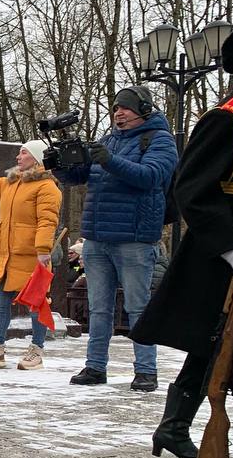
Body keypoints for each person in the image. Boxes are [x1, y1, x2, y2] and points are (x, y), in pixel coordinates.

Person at [133, 24, 233, 458]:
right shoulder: (230, 116)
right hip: (225, 253)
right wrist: (228, 245)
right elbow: (192, 187)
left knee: (217, 344)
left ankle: (173, 426)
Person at [56, 84, 178, 392]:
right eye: (115, 108)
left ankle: (146, 370)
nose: (118, 112)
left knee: (138, 307)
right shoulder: (108, 139)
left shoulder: (160, 140)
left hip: (135, 237)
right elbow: (80, 177)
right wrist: (59, 164)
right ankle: (95, 367)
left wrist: (109, 159)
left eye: (125, 107)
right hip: (97, 237)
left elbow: (150, 176)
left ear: (144, 111)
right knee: (99, 307)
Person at [0, 140, 61, 370]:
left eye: (24, 153)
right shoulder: (11, 181)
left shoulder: (46, 187)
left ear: (37, 158)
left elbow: (47, 221)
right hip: (6, 255)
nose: (18, 157)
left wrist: (42, 250)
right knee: (0, 305)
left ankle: (36, 351)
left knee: (37, 305)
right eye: (19, 153)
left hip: (30, 256)